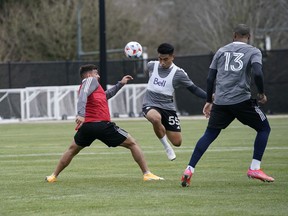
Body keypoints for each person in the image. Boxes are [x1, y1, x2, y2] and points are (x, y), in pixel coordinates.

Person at [181, 24, 274, 187]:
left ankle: (189, 169)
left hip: (221, 102)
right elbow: (258, 73)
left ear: (234, 35)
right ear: (249, 37)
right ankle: (255, 168)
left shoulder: (221, 51)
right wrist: (261, 93)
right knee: (264, 128)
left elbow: (210, 78)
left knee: (209, 134)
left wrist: (209, 101)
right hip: (241, 100)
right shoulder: (253, 51)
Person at [45, 64, 164, 182]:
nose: (98, 76)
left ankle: (53, 176)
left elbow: (106, 95)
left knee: (71, 150)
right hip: (102, 125)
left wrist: (121, 84)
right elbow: (82, 96)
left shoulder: (94, 88)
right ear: (89, 75)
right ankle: (147, 174)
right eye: (96, 73)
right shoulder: (89, 81)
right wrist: (81, 114)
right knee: (133, 143)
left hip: (88, 127)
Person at [142, 43, 207, 161]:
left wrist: (210, 98)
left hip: (168, 107)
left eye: (165, 59)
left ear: (172, 57)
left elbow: (194, 89)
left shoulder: (179, 74)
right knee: (155, 118)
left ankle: (164, 132)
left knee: (177, 142)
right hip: (150, 103)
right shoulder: (151, 65)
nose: (162, 62)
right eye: (160, 59)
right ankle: (167, 147)